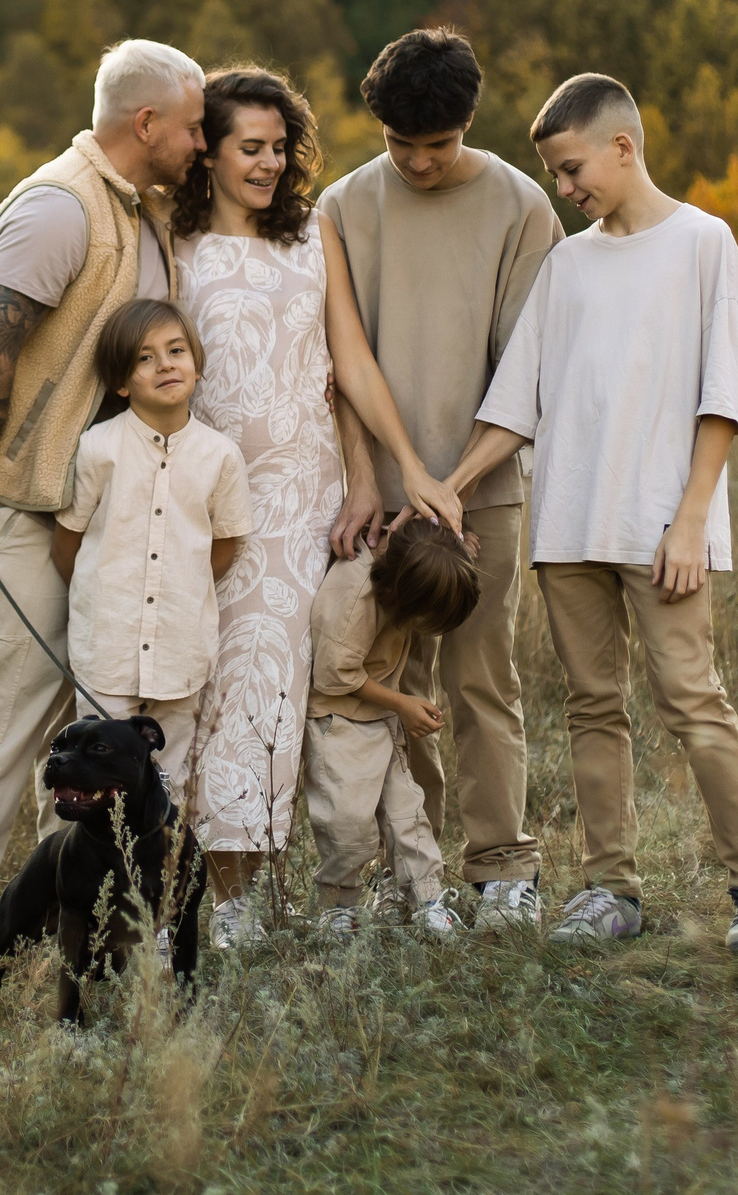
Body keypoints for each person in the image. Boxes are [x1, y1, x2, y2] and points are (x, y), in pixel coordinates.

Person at [441, 71, 738, 953]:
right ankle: (611, 891)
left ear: (622, 146)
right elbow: (514, 402)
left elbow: (725, 398)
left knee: (692, 698)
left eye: (570, 170)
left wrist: (690, 520)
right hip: (568, 531)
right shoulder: (567, 264)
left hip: (662, 527)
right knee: (592, 708)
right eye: (556, 176)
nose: (564, 190)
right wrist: (449, 488)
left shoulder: (704, 244)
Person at [0, 40, 206, 987]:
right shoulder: (58, 206)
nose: (203, 141)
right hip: (34, 516)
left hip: (114, 522)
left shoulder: (143, 214)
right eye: (194, 124)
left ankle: (65, 949)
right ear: (146, 124)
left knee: (89, 741)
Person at [168, 67, 465, 949]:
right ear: (209, 154)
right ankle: (231, 903)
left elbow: (353, 368)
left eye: (277, 147)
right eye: (247, 148)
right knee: (239, 692)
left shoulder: (315, 235)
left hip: (315, 503)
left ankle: (345, 887)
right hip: (222, 501)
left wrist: (399, 468)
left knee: (317, 690)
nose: (267, 164)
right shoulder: (172, 245)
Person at [315, 29, 564, 929]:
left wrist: (452, 481)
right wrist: (367, 479)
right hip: (373, 500)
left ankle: (501, 865)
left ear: (469, 123)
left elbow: (530, 369)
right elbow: (335, 364)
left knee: (481, 678)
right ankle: (407, 873)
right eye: (398, 144)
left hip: (481, 490)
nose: (418, 162)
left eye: (439, 144)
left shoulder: (523, 207)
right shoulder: (340, 207)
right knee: (385, 682)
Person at [49, 300, 252, 783]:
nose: (164, 364)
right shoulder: (99, 448)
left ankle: (159, 860)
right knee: (97, 775)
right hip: (108, 650)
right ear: (122, 383)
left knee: (169, 780)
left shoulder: (220, 456)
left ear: (195, 366)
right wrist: (100, 596)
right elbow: (68, 545)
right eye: (144, 357)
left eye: (176, 350)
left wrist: (183, 587)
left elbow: (224, 545)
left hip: (181, 651)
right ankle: (99, 859)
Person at [303, 515, 484, 938]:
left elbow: (436, 545)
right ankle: (338, 904)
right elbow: (333, 675)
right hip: (339, 720)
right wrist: (402, 703)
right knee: (346, 820)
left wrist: (459, 548)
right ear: (401, 596)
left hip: (379, 714)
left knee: (408, 812)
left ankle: (427, 899)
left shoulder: (406, 559)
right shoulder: (355, 601)